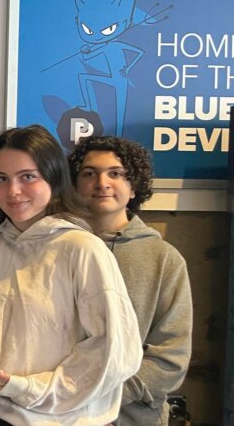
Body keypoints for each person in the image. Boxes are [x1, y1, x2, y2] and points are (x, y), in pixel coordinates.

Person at [0, 125, 142, 425]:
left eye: (27, 177)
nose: (13, 191)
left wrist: (27, 388)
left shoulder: (83, 250)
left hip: (60, 418)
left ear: (54, 177)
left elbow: (113, 350)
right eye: (1, 179)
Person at [69, 136, 192, 425]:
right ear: (74, 184)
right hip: (59, 414)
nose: (102, 183)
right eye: (89, 173)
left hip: (134, 417)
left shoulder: (164, 259)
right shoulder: (58, 249)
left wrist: (106, 396)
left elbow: (171, 356)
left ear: (133, 185)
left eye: (115, 173)